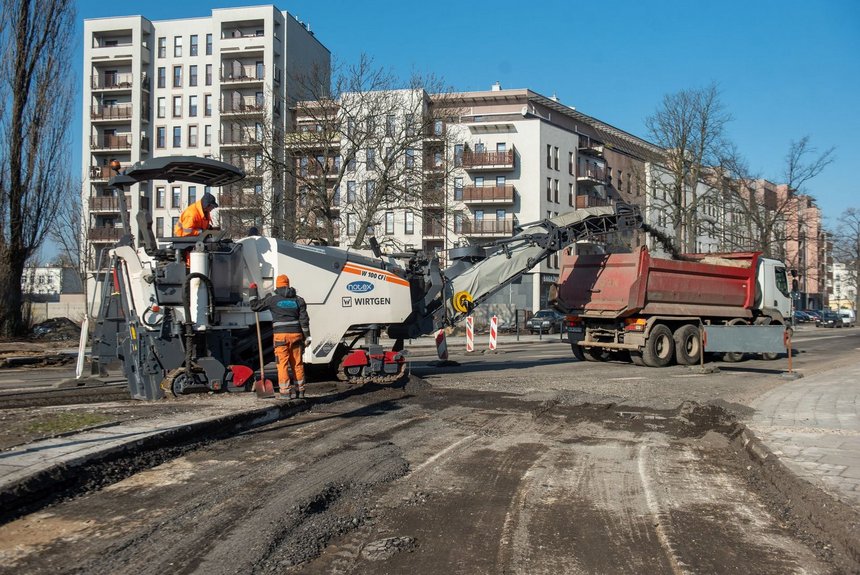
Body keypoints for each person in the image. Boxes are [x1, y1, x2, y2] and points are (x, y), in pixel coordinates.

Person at [249, 274, 311, 399]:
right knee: (297, 363)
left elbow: (255, 306)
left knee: (282, 364)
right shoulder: (299, 299)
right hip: (297, 335)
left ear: (277, 285)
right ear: (288, 284)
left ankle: (285, 392)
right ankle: (300, 390)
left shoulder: (272, 299)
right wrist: (307, 337)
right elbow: (304, 320)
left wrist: (252, 291)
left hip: (280, 336)